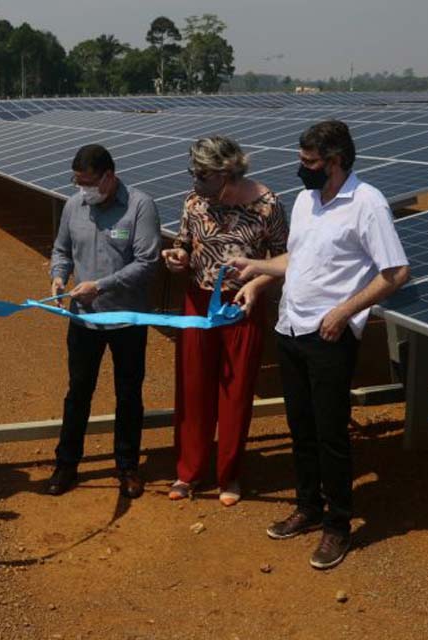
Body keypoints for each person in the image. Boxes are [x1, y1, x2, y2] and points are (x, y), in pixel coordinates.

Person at [228, 120, 410, 570]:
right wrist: (256, 271)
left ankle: (338, 525)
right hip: (290, 328)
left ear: (335, 161)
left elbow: (395, 272)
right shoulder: (308, 200)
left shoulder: (367, 204)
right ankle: (308, 506)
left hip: (328, 335)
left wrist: (344, 311)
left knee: (331, 434)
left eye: (308, 162)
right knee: (301, 427)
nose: (300, 169)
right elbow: (298, 257)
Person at [162, 136, 288, 506]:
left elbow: (285, 258)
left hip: (240, 307)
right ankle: (188, 472)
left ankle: (228, 474)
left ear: (225, 173)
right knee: (193, 387)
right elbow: (185, 244)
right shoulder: (195, 203)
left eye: (201, 175)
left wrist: (257, 285)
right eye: (194, 174)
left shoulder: (267, 205)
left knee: (234, 393)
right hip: (198, 303)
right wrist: (178, 258)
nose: (194, 182)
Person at [47, 144, 162, 499]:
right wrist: (58, 275)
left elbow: (147, 262)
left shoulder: (139, 206)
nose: (83, 190)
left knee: (128, 393)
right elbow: (61, 250)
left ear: (109, 177)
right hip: (84, 321)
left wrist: (100, 286)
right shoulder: (73, 205)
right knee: (78, 391)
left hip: (127, 320)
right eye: (78, 183)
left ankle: (127, 466)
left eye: (89, 183)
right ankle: (67, 464)